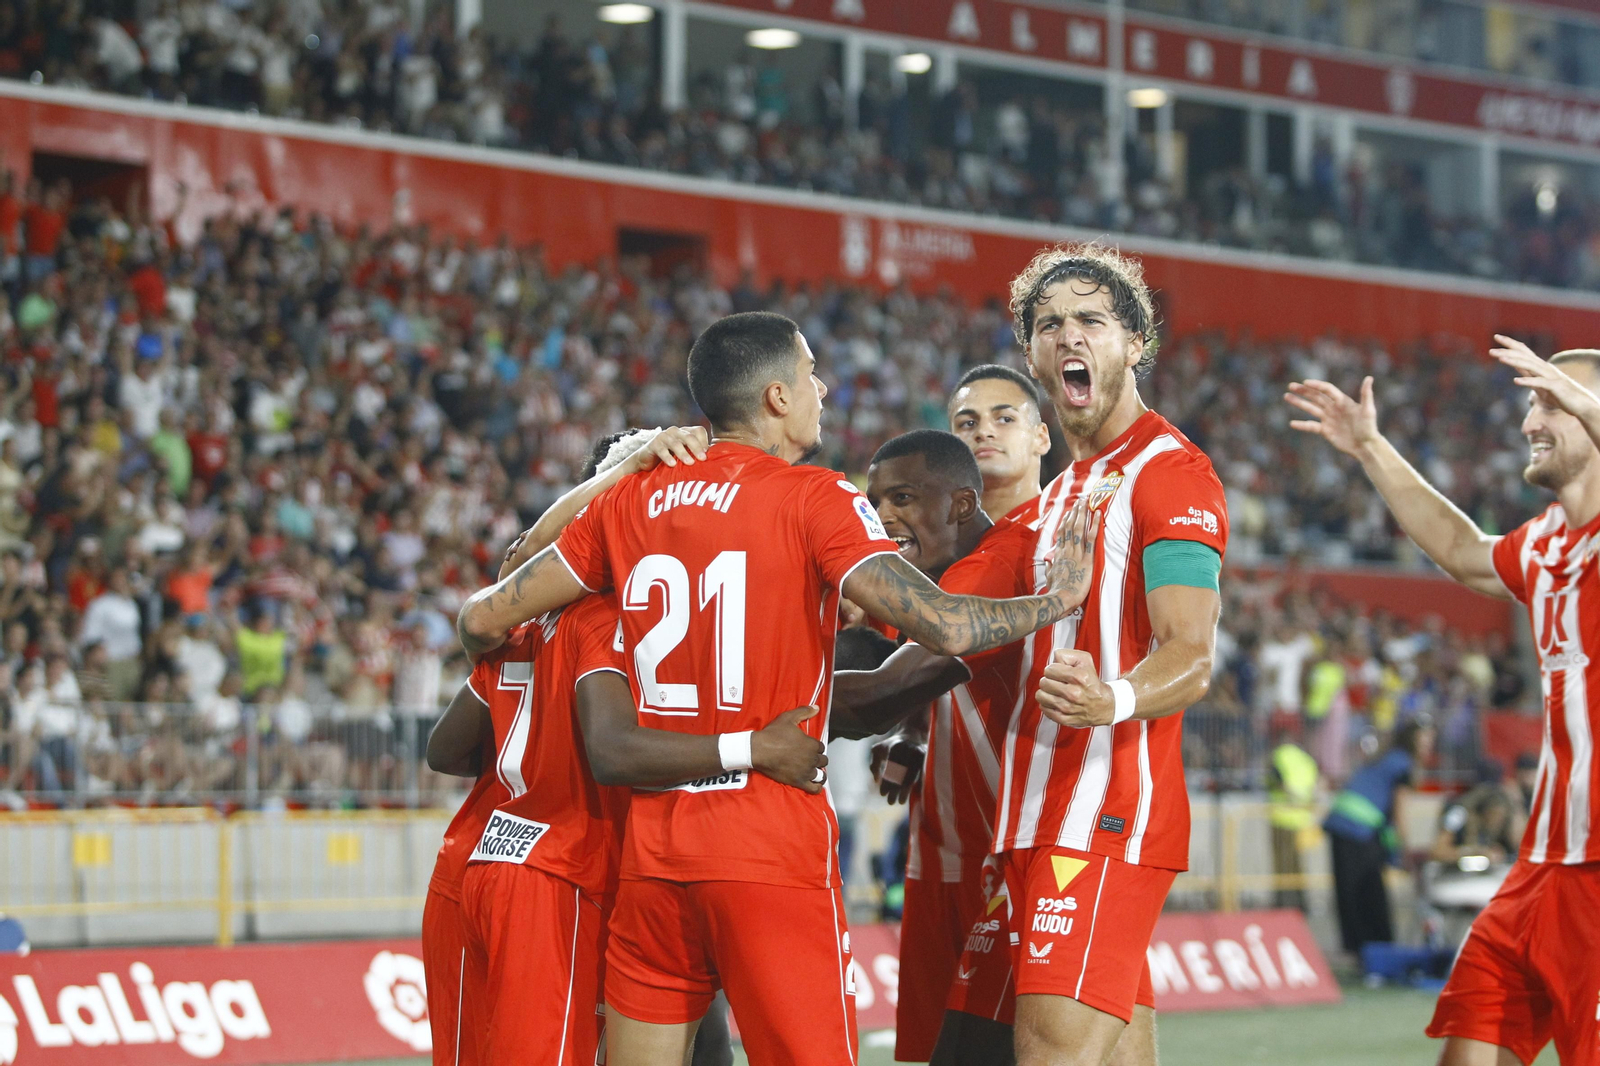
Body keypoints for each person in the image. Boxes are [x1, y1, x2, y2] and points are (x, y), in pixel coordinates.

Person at [455, 310, 1098, 1066]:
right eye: (811, 374)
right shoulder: (815, 498)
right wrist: (1058, 598)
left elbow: (484, 616)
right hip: (768, 844)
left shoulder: (629, 502)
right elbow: (948, 626)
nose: (822, 389)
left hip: (654, 856)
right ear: (777, 397)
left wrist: (619, 477)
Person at [426, 426, 825, 1066]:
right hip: (569, 868)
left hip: (474, 858)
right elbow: (612, 749)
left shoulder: (523, 616)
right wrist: (752, 746)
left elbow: (445, 750)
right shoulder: (615, 616)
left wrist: (539, 746)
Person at [1284, 334, 1600, 1065]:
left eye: (1551, 403)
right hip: (1540, 869)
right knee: (1467, 1047)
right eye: (1531, 404)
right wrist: (1371, 448)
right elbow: (1461, 550)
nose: (1529, 421)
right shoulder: (1545, 546)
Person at [998, 245, 1228, 1066]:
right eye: (1050, 324)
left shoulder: (1172, 474)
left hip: (1105, 816)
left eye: (1092, 320)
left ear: (1135, 344)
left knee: (1047, 1053)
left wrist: (1112, 700)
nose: (1070, 335)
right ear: (1031, 356)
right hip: (1035, 812)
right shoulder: (1060, 492)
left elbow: (1192, 653)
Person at [830, 428, 1042, 1065]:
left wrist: (736, 714)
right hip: (949, 846)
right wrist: (914, 734)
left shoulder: (996, 564)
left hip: (1024, 854)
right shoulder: (929, 577)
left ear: (960, 503)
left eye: (902, 498)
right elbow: (928, 686)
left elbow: (879, 692)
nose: (883, 515)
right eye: (876, 502)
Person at [1322, 716, 1434, 956]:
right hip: (1359, 828)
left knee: (1349, 892)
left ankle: (1355, 949)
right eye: (1424, 740)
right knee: (1370, 891)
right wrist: (1404, 852)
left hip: (1341, 821)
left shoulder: (1385, 757)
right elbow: (1399, 814)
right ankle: (1379, 949)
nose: (1428, 746)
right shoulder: (1403, 764)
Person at [948, 363, 1053, 525]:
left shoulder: (1078, 528)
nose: (983, 431)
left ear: (1041, 438)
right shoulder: (927, 537)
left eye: (1005, 419)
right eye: (968, 423)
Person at [1267, 723, 1321, 912]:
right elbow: (1316, 787)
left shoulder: (1279, 755)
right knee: (1298, 865)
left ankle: (1283, 904)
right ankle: (1301, 903)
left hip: (1282, 818)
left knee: (1282, 865)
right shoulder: (1306, 760)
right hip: (1303, 819)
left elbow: (1275, 779)